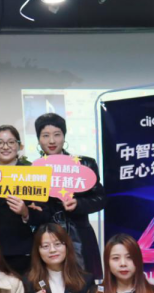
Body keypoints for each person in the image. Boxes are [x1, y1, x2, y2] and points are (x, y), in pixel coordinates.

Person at [35, 113, 105, 280]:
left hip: (79, 235)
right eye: (45, 135)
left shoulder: (84, 164)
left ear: (64, 136)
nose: (52, 141)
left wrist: (78, 204)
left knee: (85, 284)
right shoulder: (33, 170)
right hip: (48, 238)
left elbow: (100, 199)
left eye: (57, 134)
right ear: (38, 139)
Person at [0, 125, 47, 276]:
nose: (5, 147)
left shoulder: (32, 174)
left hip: (21, 251)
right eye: (0, 142)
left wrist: (25, 212)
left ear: (19, 145)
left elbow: (44, 215)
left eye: (11, 142)